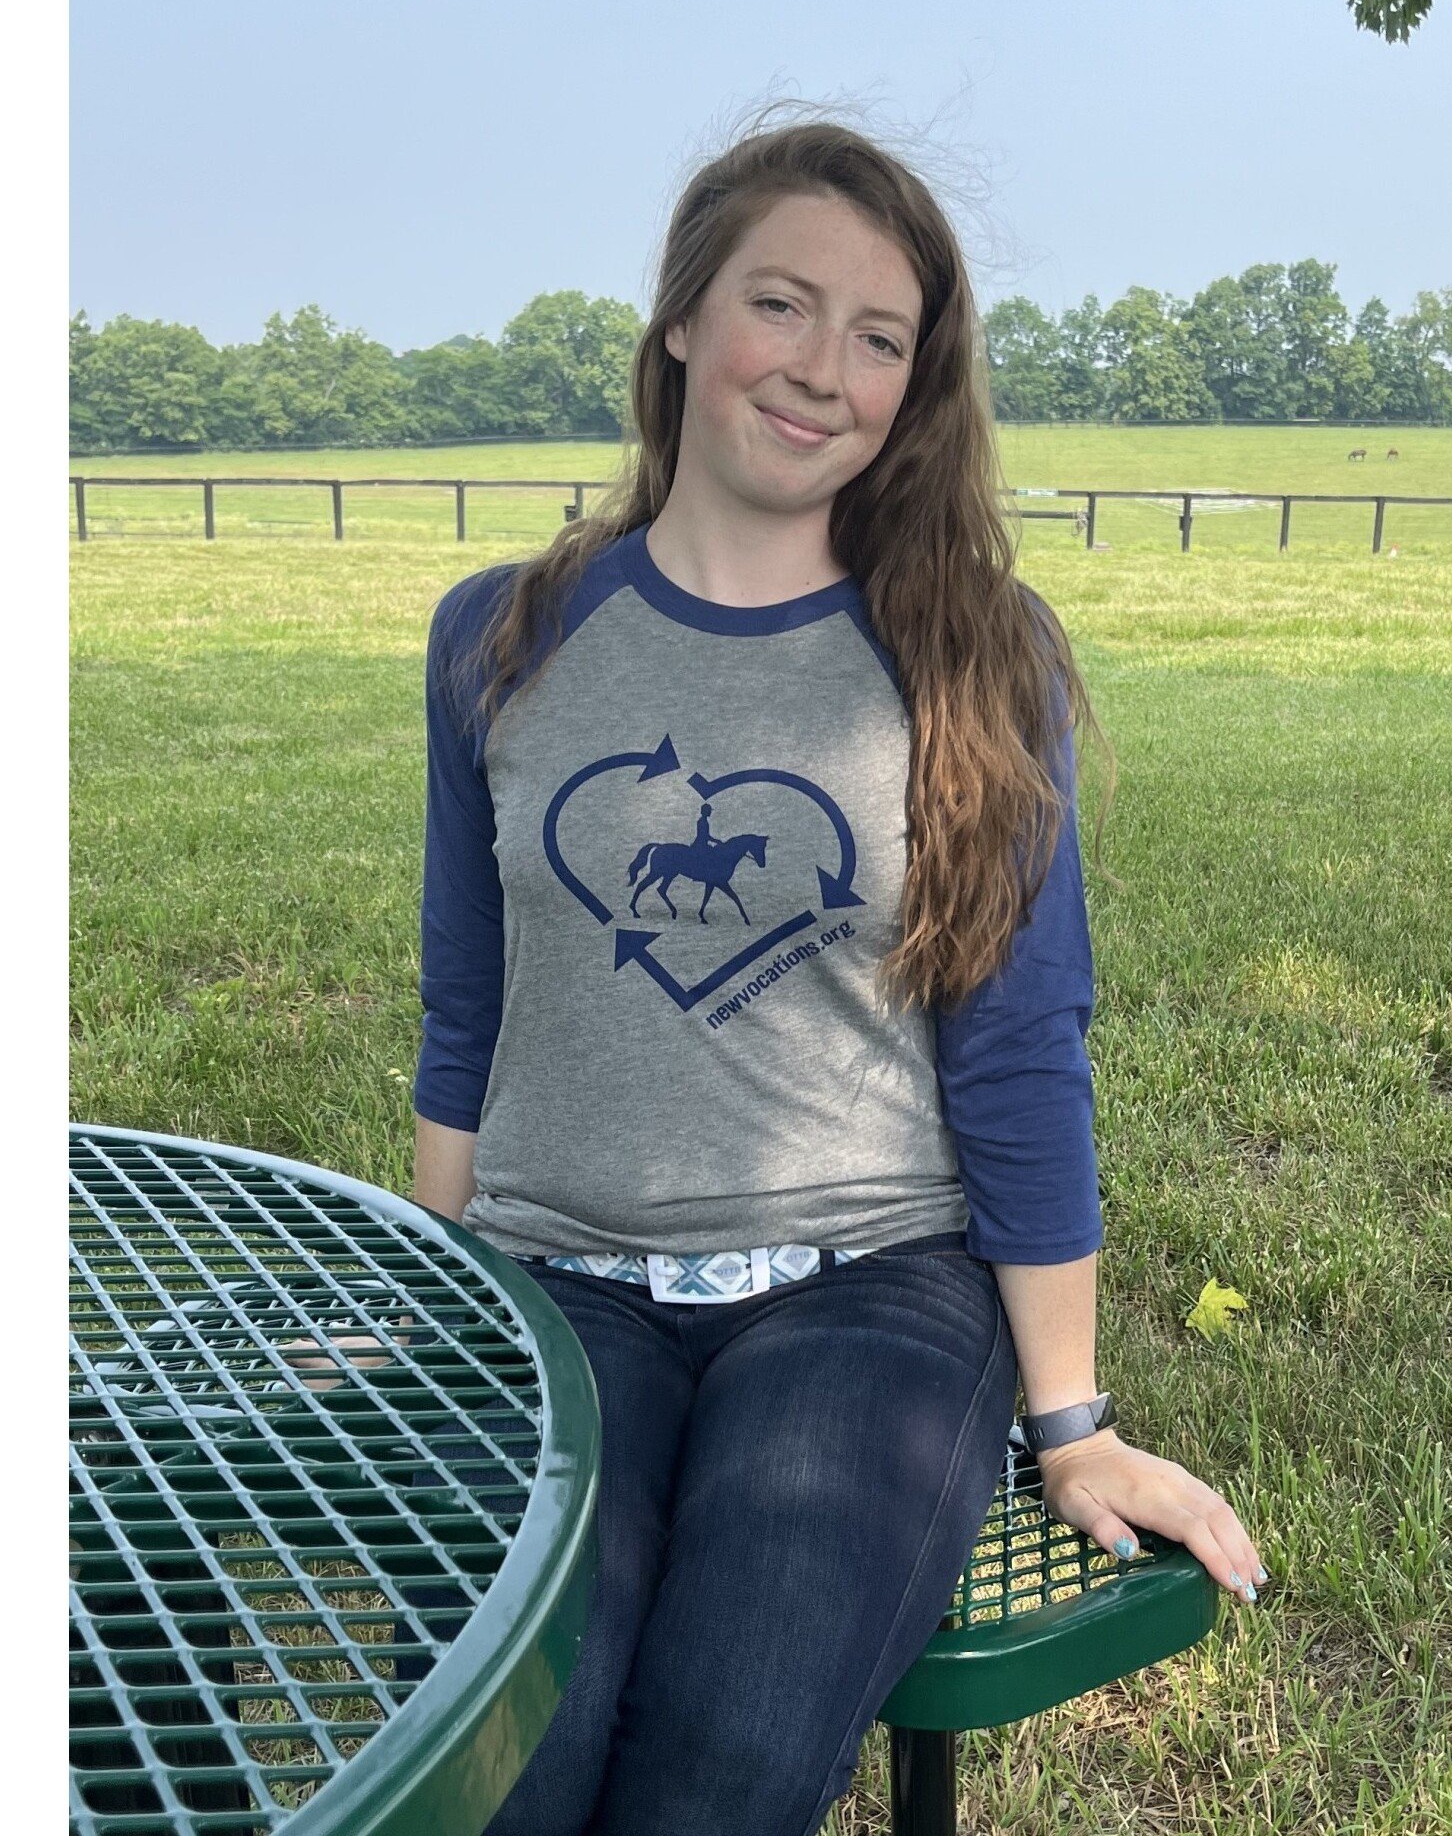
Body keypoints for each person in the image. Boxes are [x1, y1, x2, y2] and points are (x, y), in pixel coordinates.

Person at [410, 113, 1268, 1835]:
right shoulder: (502, 634)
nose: (823, 371)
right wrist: (441, 1296)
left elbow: (1023, 1044)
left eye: (881, 338)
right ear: (681, 322)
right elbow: (468, 1000)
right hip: (559, 1286)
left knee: (715, 1766)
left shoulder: (972, 650)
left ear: (918, 386)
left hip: (867, 1293)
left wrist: (1073, 1419)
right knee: (520, 1764)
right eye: (782, 305)